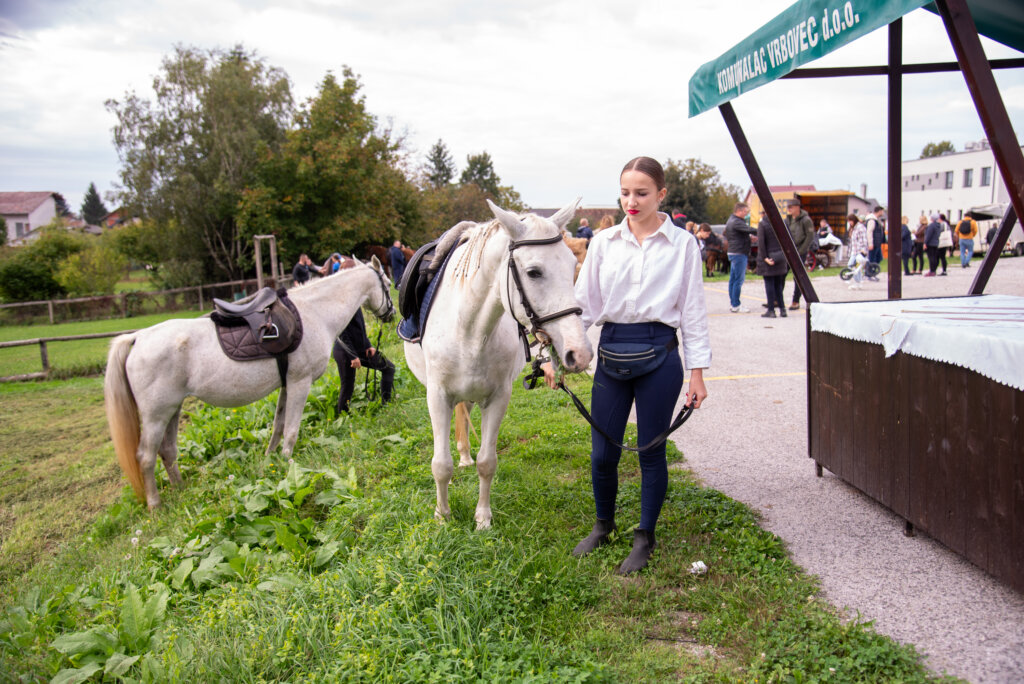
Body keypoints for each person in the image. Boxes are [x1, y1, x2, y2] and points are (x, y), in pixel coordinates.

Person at [543, 156, 710, 575]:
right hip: (614, 349)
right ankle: (604, 526)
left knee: (652, 453)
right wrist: (553, 357)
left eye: (641, 193)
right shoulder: (603, 243)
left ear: (661, 194)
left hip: (661, 354)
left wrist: (697, 373)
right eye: (624, 192)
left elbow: (692, 311)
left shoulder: (684, 245)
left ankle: (644, 536)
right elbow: (584, 307)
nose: (631, 202)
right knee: (603, 454)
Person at [332, 300, 395, 414]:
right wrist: (352, 356)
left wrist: (368, 346)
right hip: (344, 351)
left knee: (389, 368)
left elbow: (360, 328)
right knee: (347, 386)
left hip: (361, 349)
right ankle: (343, 416)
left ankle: (386, 405)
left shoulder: (355, 302)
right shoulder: (342, 305)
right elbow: (342, 334)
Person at [724, 201, 755, 313]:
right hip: (739, 253)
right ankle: (736, 304)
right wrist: (761, 231)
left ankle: (733, 303)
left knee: (733, 280)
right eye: (745, 212)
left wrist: (749, 238)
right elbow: (749, 229)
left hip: (734, 252)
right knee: (738, 280)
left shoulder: (732, 220)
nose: (746, 214)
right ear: (739, 211)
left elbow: (740, 234)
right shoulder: (736, 222)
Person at [756, 210, 788, 318]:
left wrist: (764, 257)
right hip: (780, 257)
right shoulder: (782, 223)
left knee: (769, 284)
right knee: (779, 284)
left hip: (769, 257)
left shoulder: (763, 224)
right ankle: (783, 310)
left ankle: (771, 310)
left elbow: (761, 242)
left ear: (764, 213)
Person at [784, 199, 814, 309]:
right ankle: (778, 300)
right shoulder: (788, 220)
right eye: (788, 207)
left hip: (800, 251)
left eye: (791, 207)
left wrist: (801, 250)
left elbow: (810, 236)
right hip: (788, 251)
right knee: (782, 274)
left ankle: (795, 301)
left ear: (797, 207)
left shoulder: (806, 220)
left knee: (797, 277)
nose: (789, 209)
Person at [846, 213, 869, 290]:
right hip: (854, 251)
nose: (849, 223)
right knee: (855, 267)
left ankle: (857, 282)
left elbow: (864, 239)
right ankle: (858, 282)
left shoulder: (860, 227)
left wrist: (863, 250)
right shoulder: (853, 228)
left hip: (859, 250)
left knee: (853, 265)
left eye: (850, 221)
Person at [864, 206, 886, 281]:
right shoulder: (872, 220)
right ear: (879, 211)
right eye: (882, 211)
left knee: (879, 258)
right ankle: (869, 274)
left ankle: (872, 272)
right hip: (873, 243)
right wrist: (870, 243)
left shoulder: (876, 220)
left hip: (877, 243)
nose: (883, 213)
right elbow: (869, 232)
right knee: (872, 259)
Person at [923, 213, 943, 277]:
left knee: (931, 257)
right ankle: (933, 270)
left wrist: (925, 243)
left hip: (930, 243)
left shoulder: (931, 226)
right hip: (936, 243)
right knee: (934, 257)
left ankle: (931, 271)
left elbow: (928, 235)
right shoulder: (939, 225)